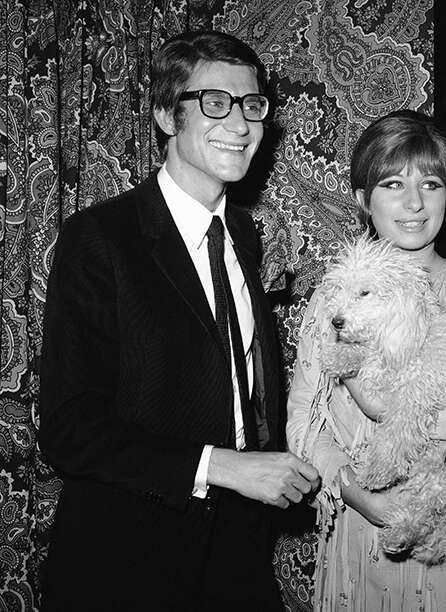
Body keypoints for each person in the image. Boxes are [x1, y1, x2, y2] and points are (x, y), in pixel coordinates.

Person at [39, 30, 319, 612]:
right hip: (129, 562)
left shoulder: (245, 234)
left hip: (238, 557)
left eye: (252, 106)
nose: (240, 125)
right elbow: (70, 430)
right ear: (168, 115)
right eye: (215, 103)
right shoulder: (100, 239)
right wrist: (223, 467)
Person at [286, 110, 446, 611]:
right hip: (358, 539)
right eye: (392, 183)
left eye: (430, 183)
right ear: (363, 199)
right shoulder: (333, 297)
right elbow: (303, 421)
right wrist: (358, 494)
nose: (413, 203)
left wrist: (399, 412)